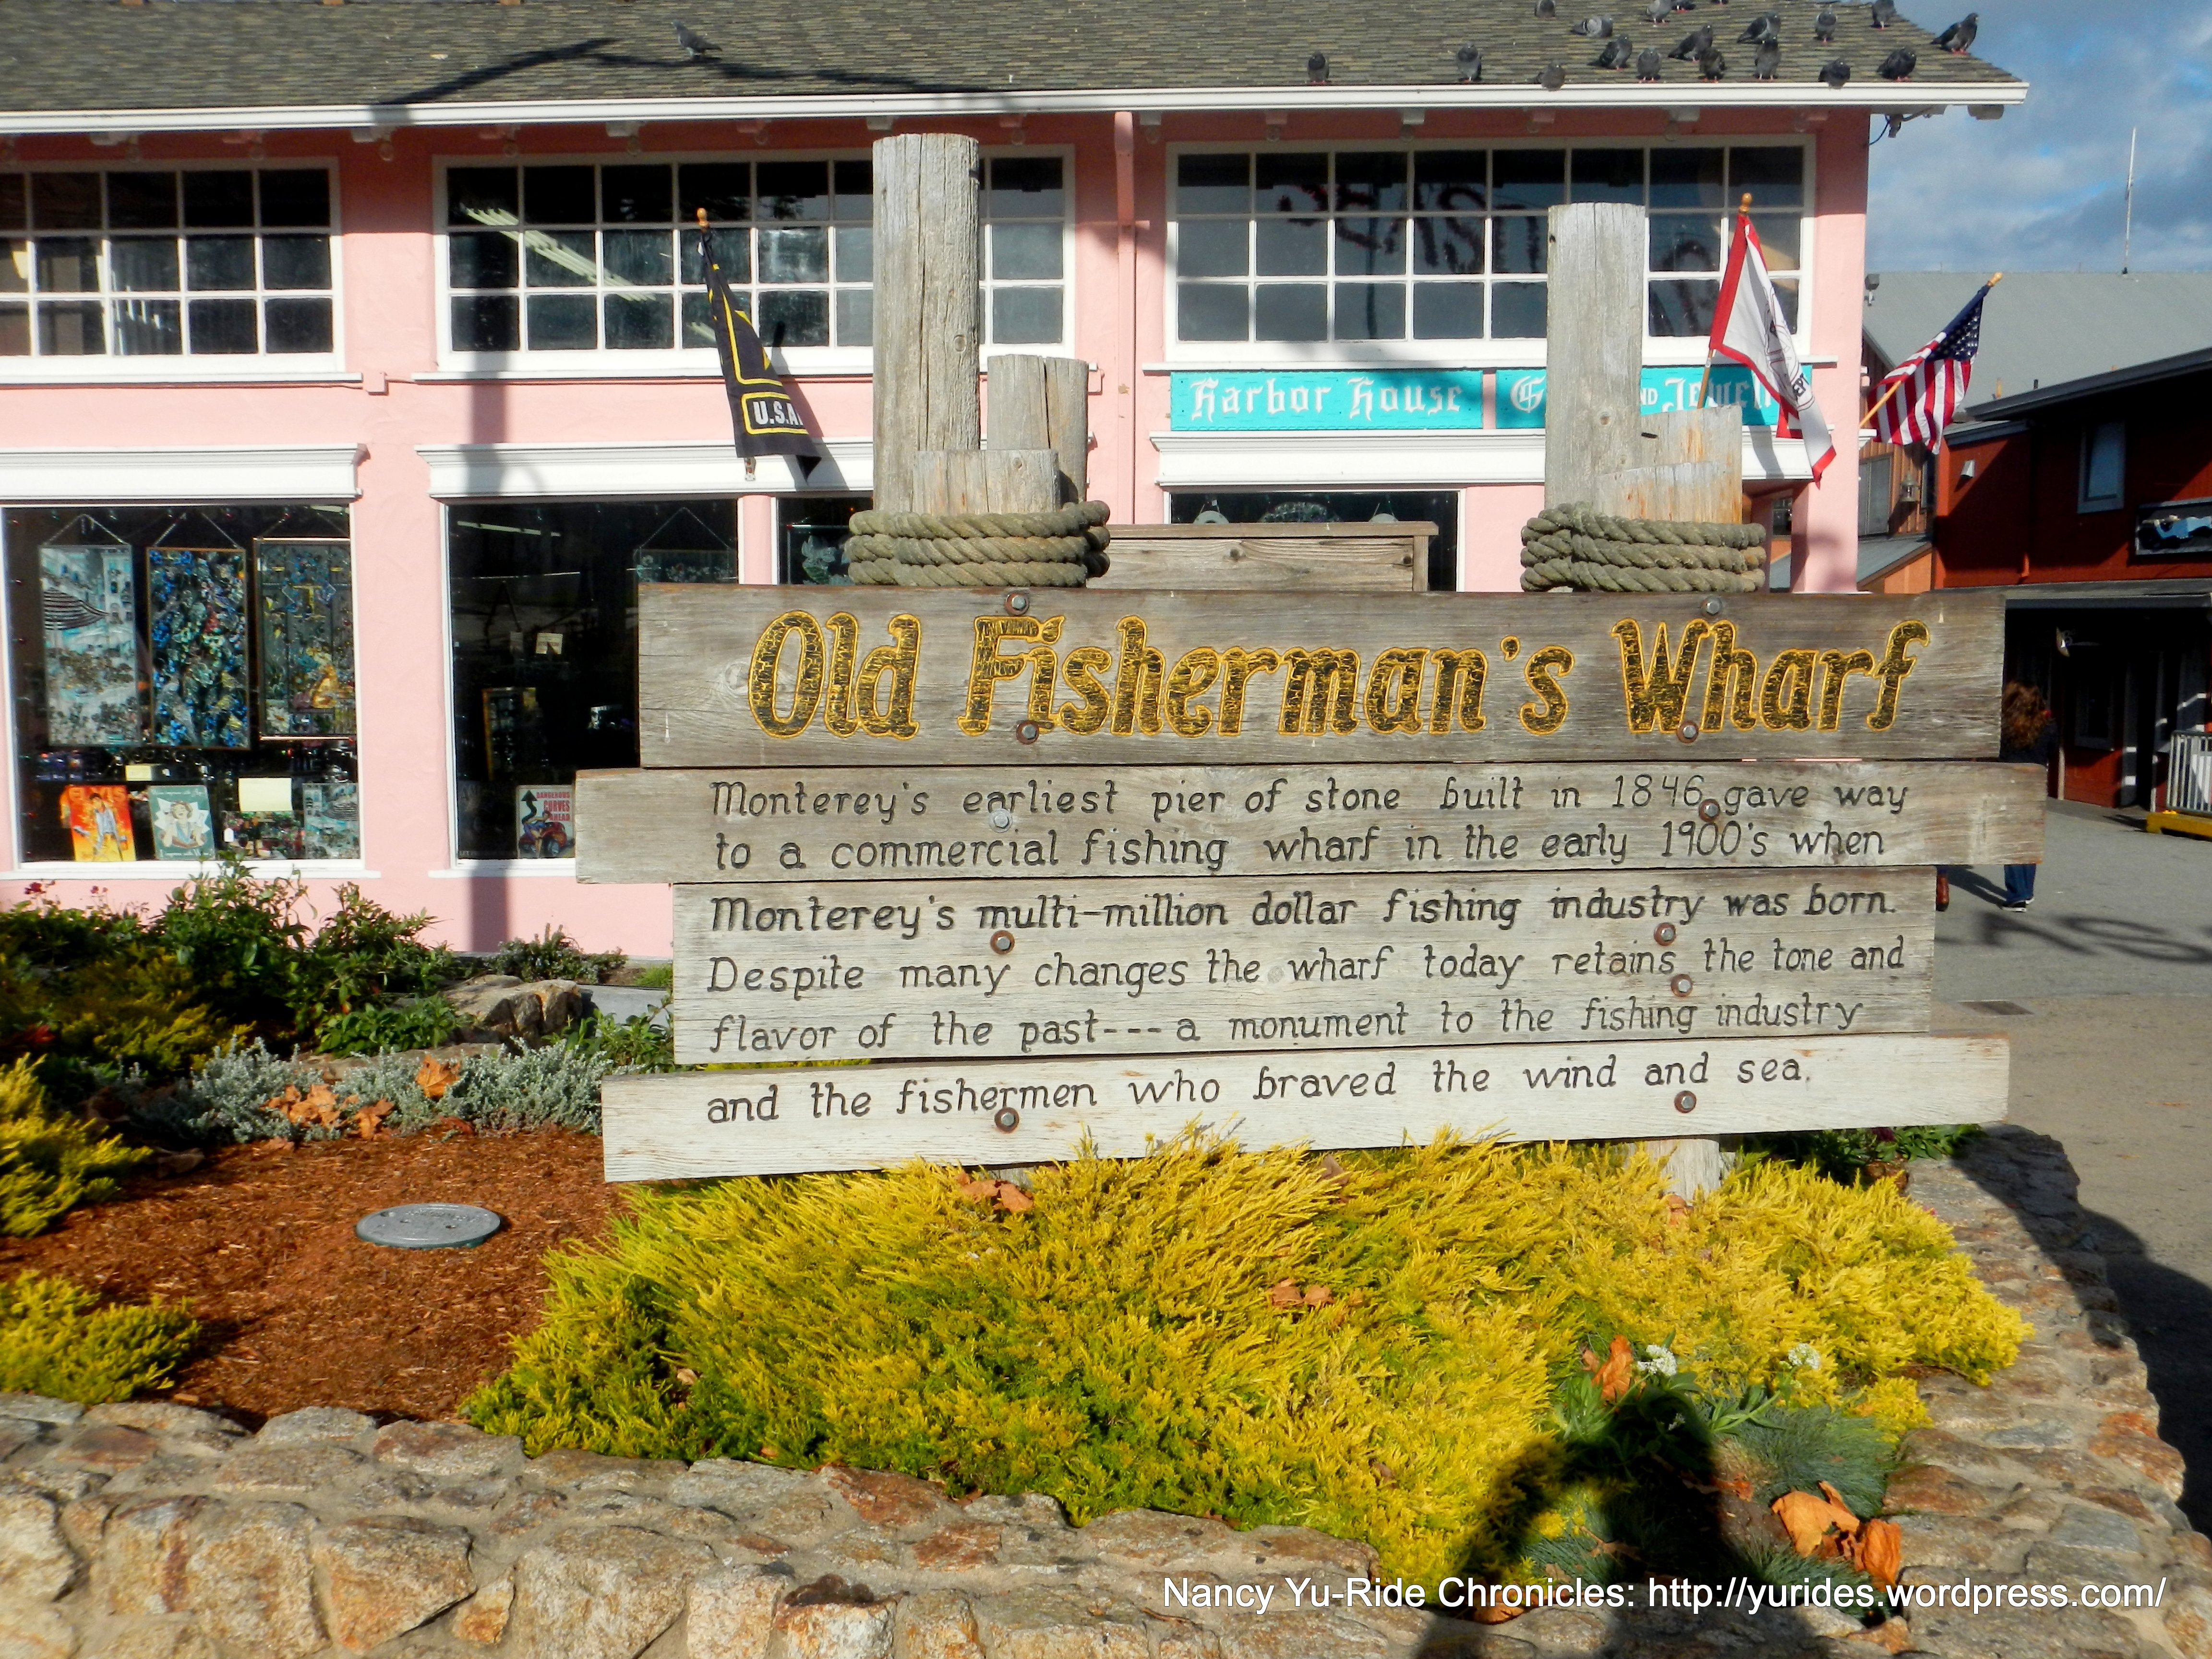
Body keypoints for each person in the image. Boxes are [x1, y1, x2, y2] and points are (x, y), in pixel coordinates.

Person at [1999, 681, 2056, 911]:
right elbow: (2052, 751)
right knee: (2030, 837)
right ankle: (2027, 890)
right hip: (2035, 784)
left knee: (2011, 839)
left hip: (2008, 783)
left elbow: (1995, 753)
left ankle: (2017, 896)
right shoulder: (2048, 725)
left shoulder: (2003, 726)